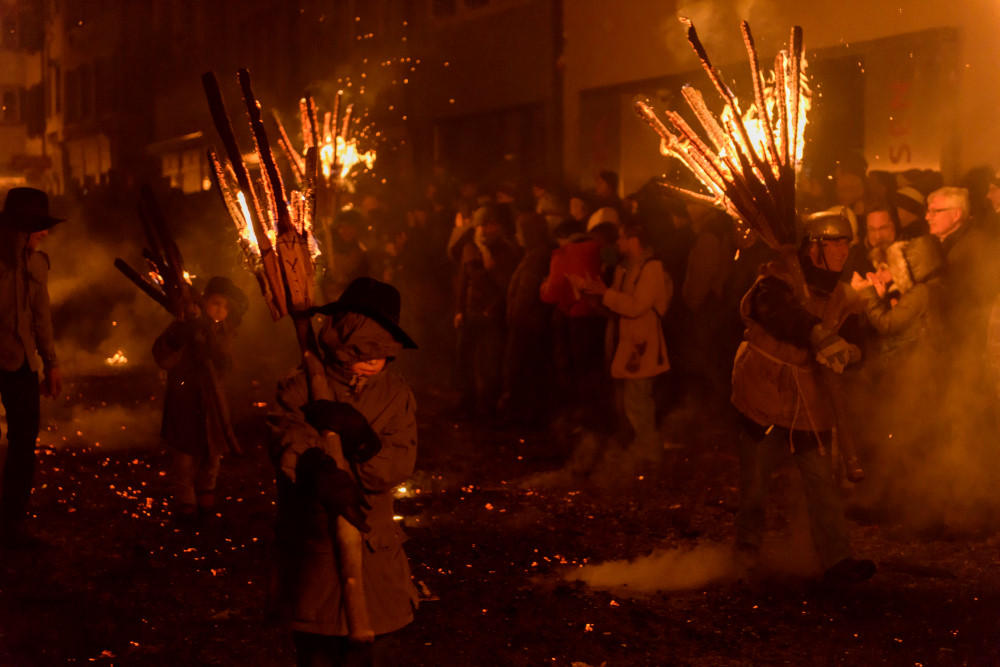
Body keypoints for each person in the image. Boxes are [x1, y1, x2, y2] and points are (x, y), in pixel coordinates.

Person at [268, 277, 419, 666]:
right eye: (362, 348)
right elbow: (286, 438)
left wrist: (364, 442)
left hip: (377, 559)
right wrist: (317, 469)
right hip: (316, 554)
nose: (372, 360)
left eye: (381, 351)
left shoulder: (396, 395)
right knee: (319, 656)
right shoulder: (301, 386)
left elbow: (396, 465)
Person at [730, 210, 876, 584]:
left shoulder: (844, 296)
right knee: (756, 484)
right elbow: (778, 314)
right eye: (835, 243)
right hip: (762, 389)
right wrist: (817, 334)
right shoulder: (776, 280)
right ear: (814, 248)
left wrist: (847, 351)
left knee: (820, 481)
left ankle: (837, 559)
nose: (844, 250)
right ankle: (745, 555)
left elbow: (861, 343)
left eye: (847, 243)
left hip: (809, 399)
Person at [572, 220, 672, 461]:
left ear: (634, 241)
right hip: (623, 344)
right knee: (625, 401)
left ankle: (647, 451)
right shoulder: (625, 268)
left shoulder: (652, 269)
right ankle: (634, 448)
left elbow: (637, 306)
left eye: (621, 238)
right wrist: (592, 291)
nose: (617, 243)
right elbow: (615, 304)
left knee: (638, 400)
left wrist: (605, 294)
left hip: (642, 346)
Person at [153, 276, 248, 525]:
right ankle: (185, 508)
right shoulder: (185, 325)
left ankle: (206, 504)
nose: (220, 310)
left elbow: (228, 367)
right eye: (216, 303)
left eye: (226, 306)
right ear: (204, 301)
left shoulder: (225, 333)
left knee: (211, 458)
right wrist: (180, 336)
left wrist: (217, 355)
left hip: (212, 406)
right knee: (184, 461)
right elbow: (162, 357)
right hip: (184, 401)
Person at [0, 187, 64, 548]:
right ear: (20, 228)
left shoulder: (38, 263)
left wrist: (51, 363)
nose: (45, 233)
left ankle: (12, 523)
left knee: (24, 442)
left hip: (23, 364)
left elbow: (42, 319)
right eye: (39, 227)